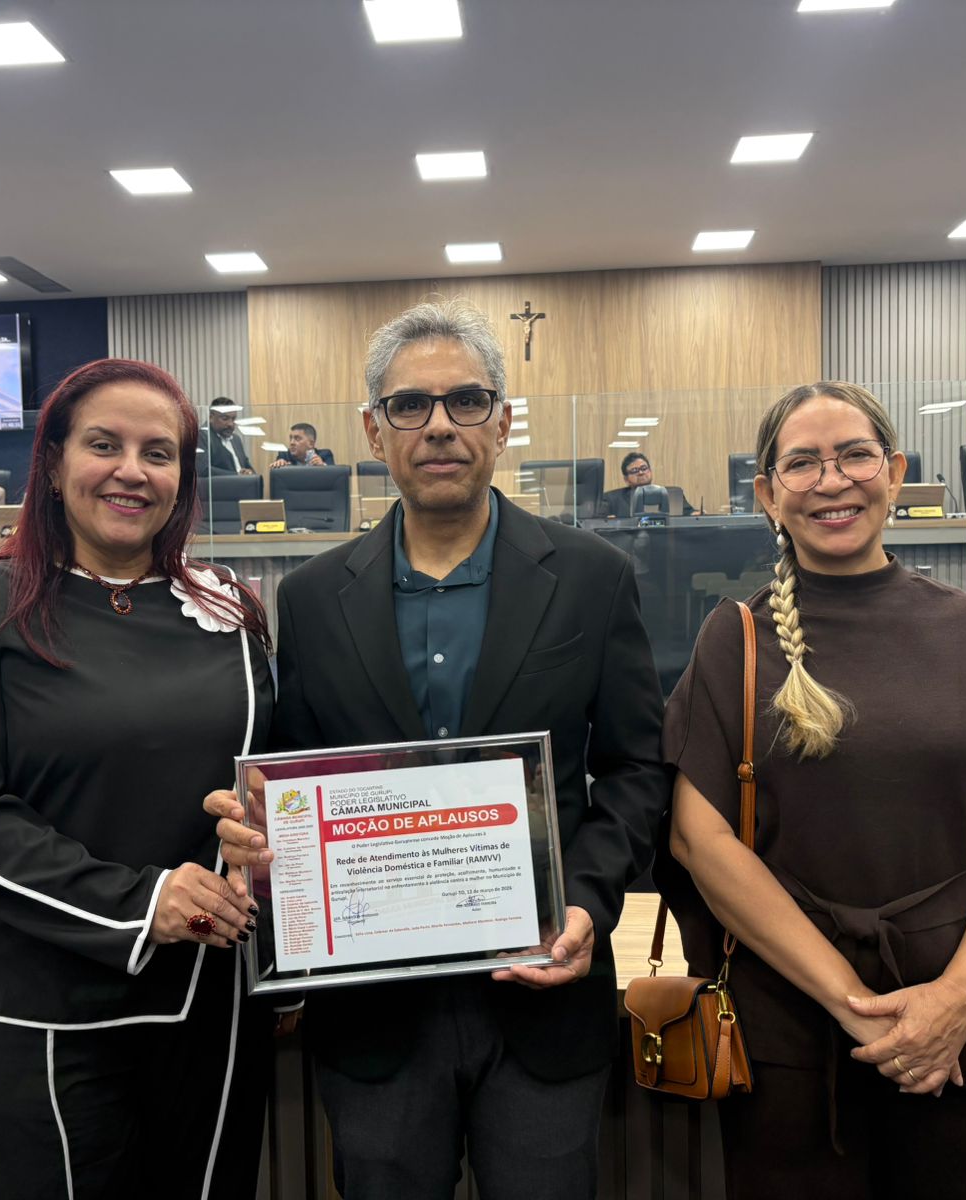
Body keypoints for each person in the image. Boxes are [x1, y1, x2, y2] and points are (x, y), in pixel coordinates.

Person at [206, 299, 668, 1200]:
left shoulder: (590, 579)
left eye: (466, 401)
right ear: (375, 432)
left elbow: (635, 769)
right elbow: (292, 778)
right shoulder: (307, 598)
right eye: (412, 406)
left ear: (502, 422)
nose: (441, 426)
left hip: (544, 990)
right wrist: (257, 835)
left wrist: (585, 906)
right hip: (374, 1017)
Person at [658, 381, 966, 1199]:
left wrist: (957, 997)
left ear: (893, 472)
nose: (832, 480)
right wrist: (853, 1002)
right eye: (803, 463)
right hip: (788, 1038)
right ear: (767, 494)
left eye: (854, 455)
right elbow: (698, 841)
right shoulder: (732, 641)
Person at [0, 358, 276, 1199]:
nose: (132, 471)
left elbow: (267, 787)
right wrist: (141, 902)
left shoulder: (229, 609)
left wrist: (270, 833)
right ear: (55, 462)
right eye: (104, 444)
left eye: (160, 452)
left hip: (207, 1012)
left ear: (183, 477)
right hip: (31, 1006)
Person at [598, 451, 693, 517]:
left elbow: (689, 513)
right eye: (634, 470)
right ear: (626, 479)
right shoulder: (611, 499)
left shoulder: (672, 495)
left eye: (644, 468)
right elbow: (599, 521)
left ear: (650, 471)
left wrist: (696, 514)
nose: (640, 473)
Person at [196, 399, 255, 475]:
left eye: (233, 419)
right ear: (211, 417)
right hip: (220, 486)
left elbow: (248, 466)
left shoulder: (236, 439)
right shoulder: (202, 437)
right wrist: (237, 475)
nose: (230, 424)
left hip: (244, 486)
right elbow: (203, 470)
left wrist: (250, 473)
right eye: (225, 419)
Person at [271, 421, 335, 467]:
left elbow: (333, 479)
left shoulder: (325, 455)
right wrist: (279, 465)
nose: (292, 443)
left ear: (311, 443)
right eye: (291, 438)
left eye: (297, 439)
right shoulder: (285, 456)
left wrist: (323, 466)